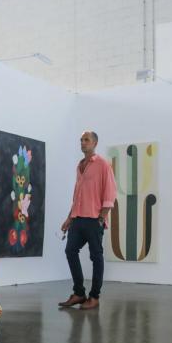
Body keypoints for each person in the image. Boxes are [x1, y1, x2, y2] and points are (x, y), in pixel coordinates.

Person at [58, 131, 117, 310]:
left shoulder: (103, 165)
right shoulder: (80, 166)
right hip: (77, 219)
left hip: (94, 219)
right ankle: (79, 293)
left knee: (96, 256)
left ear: (95, 143)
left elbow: (110, 194)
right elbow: (77, 196)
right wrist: (69, 218)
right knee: (70, 251)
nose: (83, 142)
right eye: (81, 140)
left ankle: (94, 296)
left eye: (86, 140)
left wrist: (101, 218)